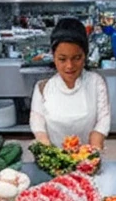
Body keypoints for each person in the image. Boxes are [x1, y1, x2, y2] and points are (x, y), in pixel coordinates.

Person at [30, 18, 110, 150]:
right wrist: (50, 153)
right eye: (62, 59)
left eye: (76, 58)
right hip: (54, 155)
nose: (69, 66)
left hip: (87, 154)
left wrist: (93, 150)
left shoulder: (96, 82)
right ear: (53, 56)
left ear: (85, 55)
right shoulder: (43, 88)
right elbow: (39, 128)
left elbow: (102, 122)